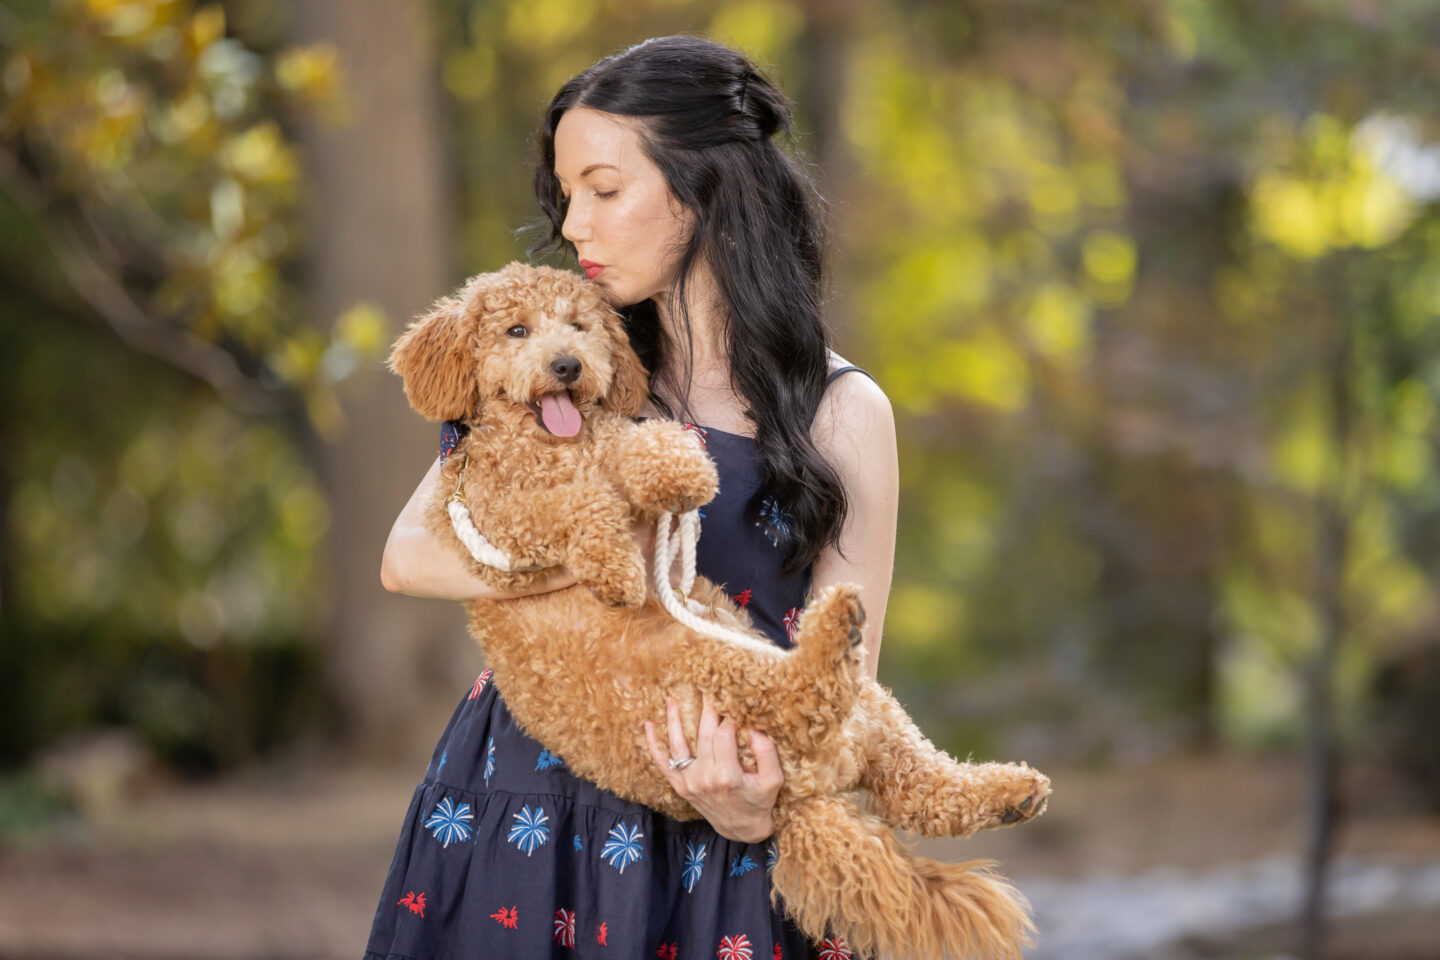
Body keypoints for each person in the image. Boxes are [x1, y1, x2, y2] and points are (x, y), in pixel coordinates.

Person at [366, 35, 897, 959]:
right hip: (522, 806)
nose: (575, 224)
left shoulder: (844, 414)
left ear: (706, 189)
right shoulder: (562, 369)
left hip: (722, 829)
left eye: (604, 190)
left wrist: (757, 802)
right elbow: (408, 554)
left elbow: (849, 680)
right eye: (567, 195)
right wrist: (599, 555)